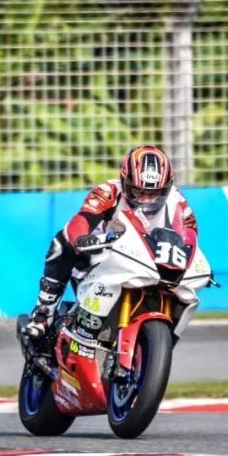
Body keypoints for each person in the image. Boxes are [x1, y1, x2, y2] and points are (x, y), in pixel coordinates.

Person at [24, 145, 199, 340]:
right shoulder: (108, 191)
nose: (146, 200)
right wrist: (80, 239)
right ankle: (43, 313)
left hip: (149, 262)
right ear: (125, 181)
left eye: (154, 194)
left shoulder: (177, 202)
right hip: (103, 253)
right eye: (138, 192)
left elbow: (189, 234)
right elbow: (82, 219)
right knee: (61, 242)